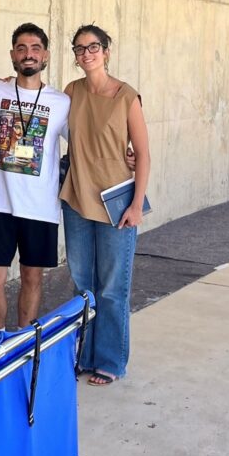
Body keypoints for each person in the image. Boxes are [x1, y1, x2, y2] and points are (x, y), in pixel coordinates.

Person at [60, 23, 151, 385]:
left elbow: (142, 154)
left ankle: (111, 360)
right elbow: (44, 112)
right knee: (83, 284)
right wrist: (12, 83)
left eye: (93, 47)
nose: (86, 54)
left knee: (112, 287)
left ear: (106, 51)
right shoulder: (72, 92)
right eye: (79, 49)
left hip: (116, 203)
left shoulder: (127, 96)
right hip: (77, 198)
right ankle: (83, 355)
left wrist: (136, 205)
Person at [0, 24, 70, 330]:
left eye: (35, 48)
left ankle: (24, 342)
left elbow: (86, 142)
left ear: (46, 56)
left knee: (32, 277)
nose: (29, 54)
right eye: (22, 48)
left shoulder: (61, 102)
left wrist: (125, 153)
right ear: (12, 54)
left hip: (40, 206)